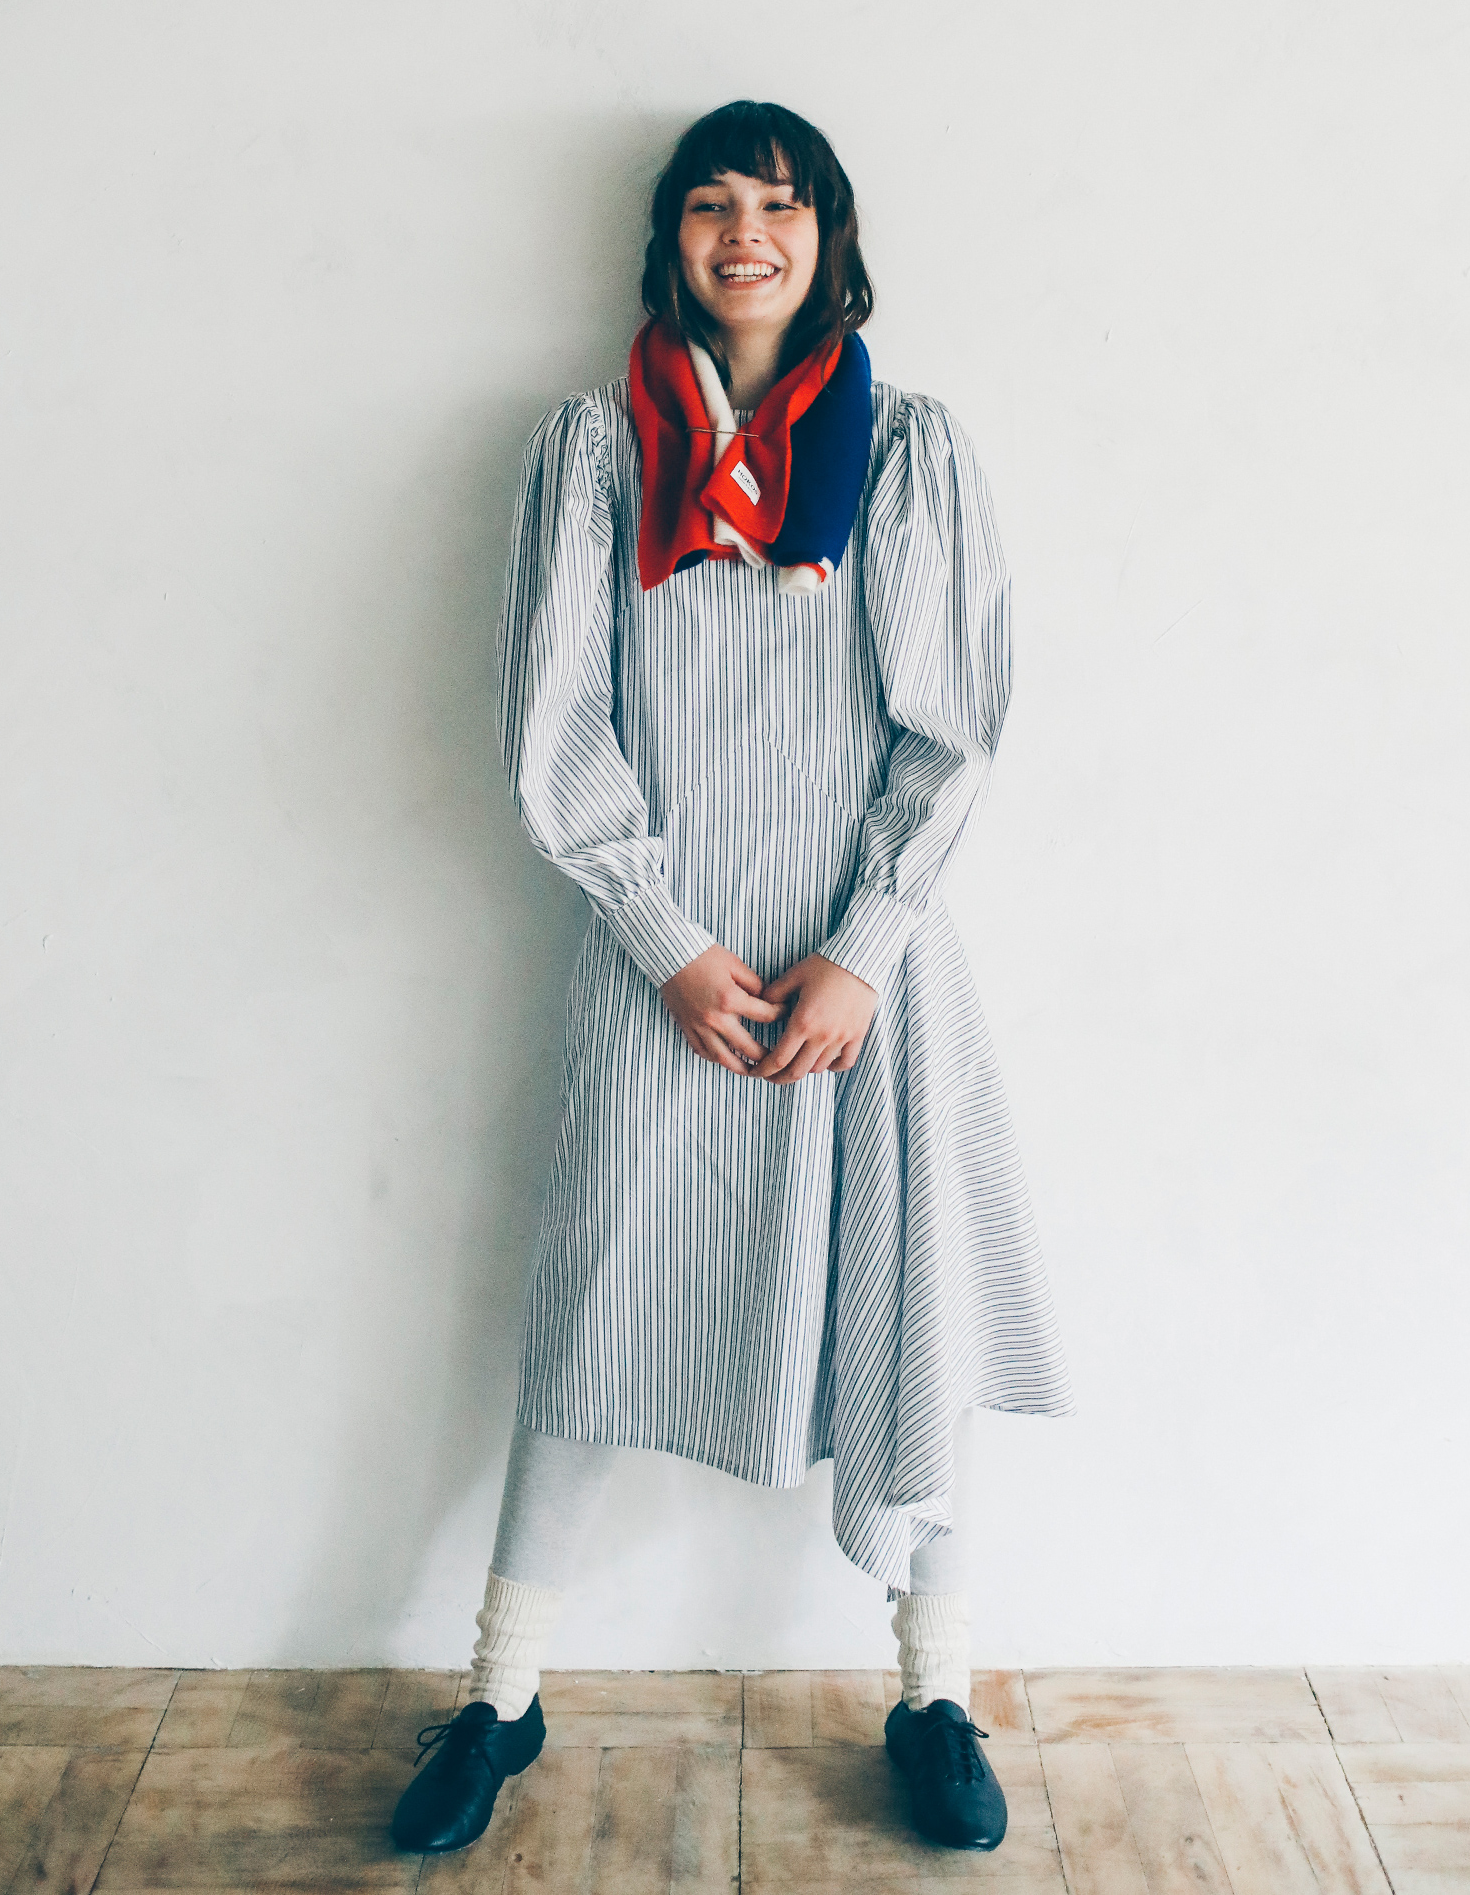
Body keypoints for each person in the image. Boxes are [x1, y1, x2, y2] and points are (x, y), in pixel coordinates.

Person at [392, 99, 1072, 1859]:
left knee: (903, 1305)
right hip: (663, 959)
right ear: (669, 241)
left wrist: (861, 950)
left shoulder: (907, 449)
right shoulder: (593, 452)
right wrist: (667, 944)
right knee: (597, 1303)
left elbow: (952, 730)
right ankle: (500, 1695)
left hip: (865, 967)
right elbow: (552, 720)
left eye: (779, 204)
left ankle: (934, 1692)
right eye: (710, 204)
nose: (745, 234)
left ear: (827, 236)